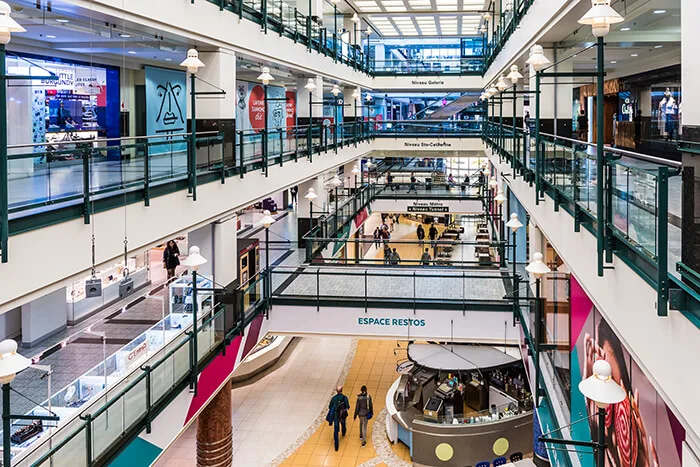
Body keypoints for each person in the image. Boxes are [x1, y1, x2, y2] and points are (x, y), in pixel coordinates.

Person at [328, 386, 350, 452]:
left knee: (336, 429)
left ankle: (336, 445)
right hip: (342, 415)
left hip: (335, 416)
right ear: (342, 390)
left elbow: (330, 407)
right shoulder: (345, 398)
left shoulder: (333, 398)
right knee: (343, 423)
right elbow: (348, 406)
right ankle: (343, 431)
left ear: (336, 391)